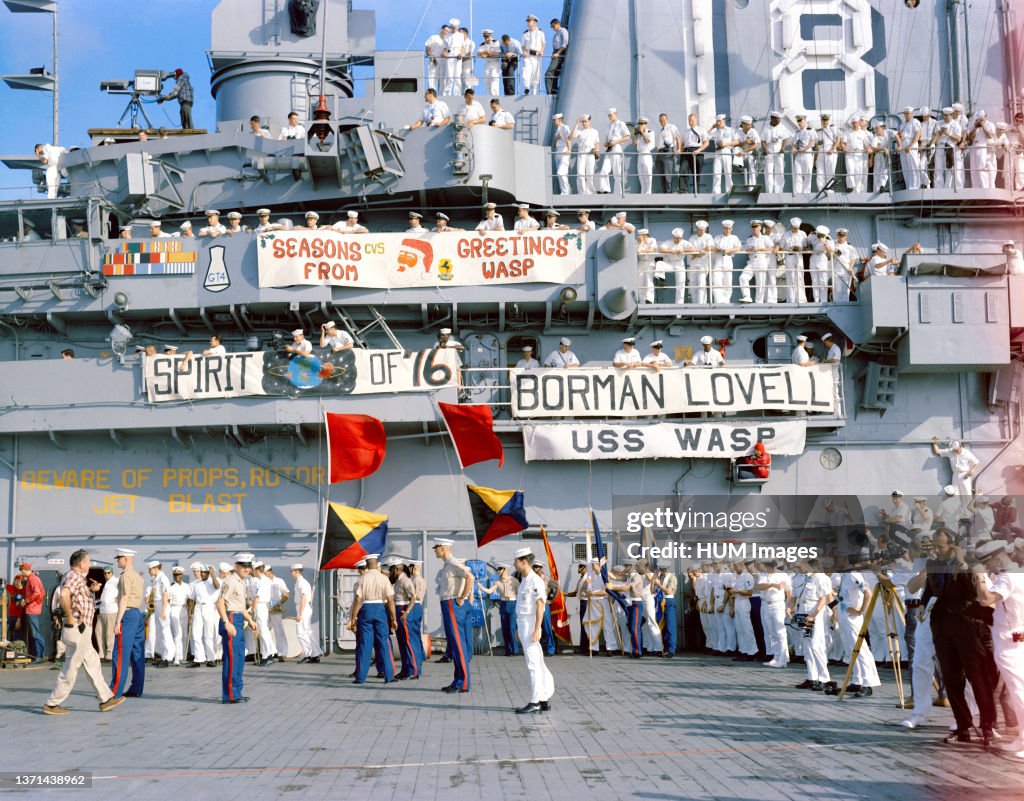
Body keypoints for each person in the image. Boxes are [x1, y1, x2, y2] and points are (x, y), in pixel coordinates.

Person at [922, 528, 996, 745]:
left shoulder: (969, 564)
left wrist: (962, 564)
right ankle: (963, 727)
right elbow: (931, 589)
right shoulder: (933, 564)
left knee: (978, 678)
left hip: (966, 626)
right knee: (952, 680)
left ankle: (987, 727)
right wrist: (922, 606)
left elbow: (973, 592)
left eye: (941, 546)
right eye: (934, 546)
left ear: (953, 546)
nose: (936, 550)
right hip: (942, 627)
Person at [41, 550, 125, 716]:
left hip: (82, 629)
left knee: (93, 662)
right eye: (87, 562)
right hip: (78, 628)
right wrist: (71, 619)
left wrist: (90, 589)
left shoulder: (76, 578)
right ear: (81, 564)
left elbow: (75, 596)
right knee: (71, 667)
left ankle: (105, 699)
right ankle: (52, 703)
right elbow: (65, 594)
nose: (89, 564)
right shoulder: (74, 576)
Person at [976, 540, 1024, 758]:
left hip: (1009, 641)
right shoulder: (1019, 573)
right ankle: (1021, 738)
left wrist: (978, 577)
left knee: (1019, 692)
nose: (988, 569)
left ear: (998, 557)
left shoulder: (1006, 578)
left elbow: (985, 600)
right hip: (1018, 636)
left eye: (987, 564)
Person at [511, 548, 555, 713]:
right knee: (537, 662)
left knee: (533, 664)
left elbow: (540, 606)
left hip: (530, 624)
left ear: (523, 562)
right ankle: (543, 698)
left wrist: (537, 628)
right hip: (524, 624)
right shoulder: (524, 579)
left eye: (516, 561)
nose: (514, 564)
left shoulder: (535, 580)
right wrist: (518, 628)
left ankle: (535, 701)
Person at [433, 538, 474, 693]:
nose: (435, 550)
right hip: (448, 604)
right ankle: (457, 680)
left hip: (452, 604)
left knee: (458, 644)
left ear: (443, 548)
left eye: (436, 547)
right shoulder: (447, 565)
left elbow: (470, 577)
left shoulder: (454, 563)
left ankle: (463, 682)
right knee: (455, 643)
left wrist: (462, 597)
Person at [348, 555, 396, 684]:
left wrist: (353, 618)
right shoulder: (384, 579)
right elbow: (390, 600)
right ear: (377, 564)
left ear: (367, 565)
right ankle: (389, 676)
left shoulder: (362, 579)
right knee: (383, 643)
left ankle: (361, 677)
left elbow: (358, 599)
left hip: (366, 609)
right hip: (380, 609)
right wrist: (393, 618)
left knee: (365, 644)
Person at [836, 564, 881, 698]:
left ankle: (868, 683)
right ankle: (857, 680)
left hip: (852, 617)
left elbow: (868, 593)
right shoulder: (844, 575)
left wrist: (860, 611)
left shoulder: (853, 575)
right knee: (851, 650)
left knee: (860, 650)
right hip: (844, 614)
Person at [216, 553, 256, 703]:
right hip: (231, 619)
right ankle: (230, 695)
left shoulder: (242, 581)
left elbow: (241, 606)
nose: (247, 569)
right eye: (243, 566)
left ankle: (237, 692)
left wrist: (250, 620)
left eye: (248, 566)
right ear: (236, 566)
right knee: (232, 659)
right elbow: (220, 603)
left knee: (239, 658)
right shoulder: (231, 581)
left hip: (238, 619)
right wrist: (226, 622)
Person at [789, 560, 833, 691]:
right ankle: (812, 677)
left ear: (806, 564)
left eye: (799, 566)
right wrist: (789, 607)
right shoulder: (799, 578)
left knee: (816, 645)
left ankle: (824, 678)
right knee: (807, 645)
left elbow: (823, 599)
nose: (797, 569)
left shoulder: (820, 577)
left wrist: (813, 615)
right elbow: (794, 596)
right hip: (803, 611)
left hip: (815, 613)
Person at [109, 548, 145, 698]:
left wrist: (117, 621)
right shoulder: (137, 576)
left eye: (119, 558)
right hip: (137, 613)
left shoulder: (125, 576)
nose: (117, 561)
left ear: (125, 559)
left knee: (120, 653)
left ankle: (114, 691)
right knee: (137, 653)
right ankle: (136, 688)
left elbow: (124, 599)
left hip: (128, 615)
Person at [390, 557, 421, 679]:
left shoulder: (406, 581)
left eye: (392, 569)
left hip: (404, 609)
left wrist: (407, 612)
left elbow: (413, 597)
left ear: (397, 569)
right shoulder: (398, 581)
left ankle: (414, 671)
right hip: (398, 610)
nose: (391, 571)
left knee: (409, 642)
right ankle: (405, 669)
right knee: (402, 642)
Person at [480, 563, 520, 656]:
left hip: (513, 603)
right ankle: (508, 650)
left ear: (505, 569)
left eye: (500, 569)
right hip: (503, 604)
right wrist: (481, 587)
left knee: (512, 628)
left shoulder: (514, 580)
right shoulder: (497, 582)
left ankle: (515, 650)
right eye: (498, 569)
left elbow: (520, 593)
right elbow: (490, 591)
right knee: (505, 628)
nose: (498, 571)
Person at [187, 562, 220, 668]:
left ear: (208, 573)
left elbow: (217, 586)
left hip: (209, 608)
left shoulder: (213, 582)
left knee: (209, 635)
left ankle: (211, 658)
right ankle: (198, 658)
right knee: (196, 634)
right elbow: (191, 599)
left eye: (205, 573)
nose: (202, 574)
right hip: (198, 608)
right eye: (201, 572)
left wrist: (213, 574)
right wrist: (190, 614)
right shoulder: (196, 584)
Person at [290, 564, 322, 664]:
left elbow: (304, 597)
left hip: (302, 608)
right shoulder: (301, 582)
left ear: (296, 571)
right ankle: (315, 654)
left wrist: (300, 612)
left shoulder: (301, 582)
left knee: (301, 632)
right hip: (305, 607)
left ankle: (308, 654)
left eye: (291, 571)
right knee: (308, 631)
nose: (291, 573)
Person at [145, 560, 174, 667]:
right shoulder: (155, 579)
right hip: (157, 606)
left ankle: (168, 657)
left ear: (156, 568)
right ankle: (163, 656)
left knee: (165, 632)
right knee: (159, 633)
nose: (149, 571)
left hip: (163, 606)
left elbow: (165, 595)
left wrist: (163, 611)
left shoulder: (163, 578)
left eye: (150, 569)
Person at [741, 219, 775, 304]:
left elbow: (772, 249)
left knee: (760, 284)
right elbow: (744, 252)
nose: (755, 229)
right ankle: (747, 296)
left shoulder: (765, 238)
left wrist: (761, 248)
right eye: (753, 227)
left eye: (756, 227)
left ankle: (758, 302)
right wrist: (747, 250)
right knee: (743, 277)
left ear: (760, 227)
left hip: (761, 261)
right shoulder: (749, 240)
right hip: (751, 262)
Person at [597, 108, 630, 194]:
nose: (609, 117)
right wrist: (606, 144)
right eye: (608, 115)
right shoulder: (609, 126)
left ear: (615, 114)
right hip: (609, 149)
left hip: (616, 148)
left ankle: (618, 192)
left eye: (611, 115)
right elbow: (607, 138)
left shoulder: (621, 124)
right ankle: (604, 189)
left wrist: (616, 141)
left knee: (616, 171)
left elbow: (627, 137)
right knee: (604, 170)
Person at [19, 562, 45, 662]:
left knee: (35, 633)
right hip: (34, 608)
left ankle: (39, 656)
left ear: (25, 570)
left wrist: (26, 600)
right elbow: (41, 593)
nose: (21, 573)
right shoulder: (33, 578)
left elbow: (37, 593)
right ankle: (39, 655)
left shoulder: (32, 579)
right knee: (35, 632)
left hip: (32, 609)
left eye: (22, 570)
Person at [712, 220, 740, 304]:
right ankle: (718, 301)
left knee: (727, 282)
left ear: (731, 229)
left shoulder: (734, 238)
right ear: (723, 228)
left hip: (728, 259)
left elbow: (738, 248)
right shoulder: (717, 237)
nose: (727, 230)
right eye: (726, 228)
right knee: (716, 281)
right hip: (719, 259)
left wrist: (729, 250)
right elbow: (712, 247)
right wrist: (718, 249)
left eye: (729, 228)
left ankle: (726, 301)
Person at [679, 113, 708, 193]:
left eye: (692, 121)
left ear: (696, 120)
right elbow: (682, 144)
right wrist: (680, 152)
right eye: (689, 121)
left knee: (697, 173)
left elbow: (706, 143)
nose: (691, 123)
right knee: (683, 169)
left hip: (697, 151)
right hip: (687, 152)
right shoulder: (685, 132)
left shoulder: (701, 130)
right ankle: (683, 189)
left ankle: (696, 191)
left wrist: (698, 150)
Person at [708, 114, 737, 193]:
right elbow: (705, 137)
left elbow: (736, 141)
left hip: (727, 151)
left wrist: (725, 144)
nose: (718, 123)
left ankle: (729, 191)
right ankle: (716, 192)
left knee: (728, 173)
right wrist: (712, 127)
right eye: (717, 121)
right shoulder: (715, 132)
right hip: (717, 153)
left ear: (724, 120)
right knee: (716, 173)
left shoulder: (731, 130)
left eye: (719, 121)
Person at [896, 106, 923, 190]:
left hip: (911, 144)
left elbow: (918, 134)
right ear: (904, 114)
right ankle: (909, 186)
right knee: (905, 167)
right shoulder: (902, 124)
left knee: (913, 166)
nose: (908, 115)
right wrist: (900, 138)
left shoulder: (915, 122)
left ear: (912, 114)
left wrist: (911, 145)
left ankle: (915, 186)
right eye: (906, 113)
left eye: (909, 113)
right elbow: (899, 137)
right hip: (903, 145)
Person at [167, 566, 190, 666]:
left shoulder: (187, 587)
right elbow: (168, 601)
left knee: (185, 634)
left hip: (184, 609)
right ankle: (176, 657)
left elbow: (190, 600)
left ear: (182, 575)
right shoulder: (171, 588)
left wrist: (190, 613)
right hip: (174, 609)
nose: (177, 577)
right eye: (175, 575)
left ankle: (183, 657)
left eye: (179, 575)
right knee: (177, 634)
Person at [789, 114, 817, 193]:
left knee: (807, 174)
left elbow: (813, 141)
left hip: (807, 154)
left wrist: (805, 148)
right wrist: (792, 149)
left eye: (800, 121)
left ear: (805, 120)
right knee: (797, 174)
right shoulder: (797, 132)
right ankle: (797, 193)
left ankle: (806, 192)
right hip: (798, 154)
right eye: (798, 121)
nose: (799, 123)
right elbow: (793, 142)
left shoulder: (811, 130)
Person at [762, 111, 787, 193]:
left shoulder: (782, 127)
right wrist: (765, 150)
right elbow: (762, 141)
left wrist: (783, 148)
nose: (779, 121)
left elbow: (785, 139)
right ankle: (769, 191)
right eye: (777, 119)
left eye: (779, 119)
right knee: (769, 172)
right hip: (769, 153)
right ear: (772, 118)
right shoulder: (766, 128)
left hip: (779, 153)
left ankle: (779, 191)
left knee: (779, 172)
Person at [521, 14, 545, 95]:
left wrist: (542, 51)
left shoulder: (540, 33)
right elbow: (523, 46)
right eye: (527, 21)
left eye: (529, 21)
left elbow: (543, 43)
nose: (528, 23)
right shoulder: (525, 34)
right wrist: (524, 51)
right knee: (526, 71)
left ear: (534, 22)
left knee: (536, 73)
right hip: (528, 55)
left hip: (537, 55)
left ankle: (534, 92)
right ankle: (526, 88)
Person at [816, 113, 839, 192]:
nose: (825, 122)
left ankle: (830, 191)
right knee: (820, 172)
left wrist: (833, 149)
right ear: (821, 121)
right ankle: (821, 190)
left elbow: (838, 139)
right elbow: (817, 144)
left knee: (830, 172)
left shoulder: (833, 128)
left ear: (829, 120)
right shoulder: (818, 131)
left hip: (830, 151)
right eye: (823, 120)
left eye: (826, 120)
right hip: (821, 152)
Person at [869, 120, 895, 191]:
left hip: (886, 155)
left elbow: (897, 135)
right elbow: (873, 147)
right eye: (875, 129)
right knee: (876, 173)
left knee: (885, 171)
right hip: (878, 155)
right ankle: (876, 190)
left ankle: (882, 186)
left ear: (882, 128)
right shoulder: (875, 136)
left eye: (877, 128)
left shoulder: (888, 132)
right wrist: (883, 148)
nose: (876, 130)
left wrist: (900, 145)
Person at [735, 116, 761, 186]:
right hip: (741, 153)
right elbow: (735, 143)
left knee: (752, 170)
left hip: (750, 152)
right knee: (736, 149)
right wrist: (745, 142)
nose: (750, 126)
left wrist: (744, 151)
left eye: (750, 124)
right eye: (748, 125)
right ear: (743, 124)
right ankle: (739, 166)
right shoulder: (738, 132)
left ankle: (752, 186)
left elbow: (756, 144)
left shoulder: (753, 132)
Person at [545, 18, 569, 94]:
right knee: (555, 72)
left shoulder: (563, 31)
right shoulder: (557, 33)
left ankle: (549, 92)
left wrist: (558, 53)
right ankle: (553, 90)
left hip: (559, 53)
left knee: (548, 73)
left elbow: (565, 42)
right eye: (552, 26)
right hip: (555, 52)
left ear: (558, 24)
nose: (553, 28)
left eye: (553, 26)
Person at [442, 18, 465, 97]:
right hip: (450, 54)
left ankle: (457, 95)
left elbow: (463, 47)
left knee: (457, 76)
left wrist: (462, 53)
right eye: (453, 27)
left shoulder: (461, 35)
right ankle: (446, 95)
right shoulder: (447, 36)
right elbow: (444, 48)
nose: (454, 28)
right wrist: (444, 53)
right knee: (449, 76)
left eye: (455, 27)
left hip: (458, 55)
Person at [633, 117, 655, 194]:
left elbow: (648, 141)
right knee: (641, 174)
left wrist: (642, 133)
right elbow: (635, 144)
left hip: (646, 154)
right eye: (640, 124)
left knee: (648, 173)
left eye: (642, 123)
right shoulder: (639, 134)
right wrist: (635, 134)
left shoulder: (650, 132)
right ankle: (643, 191)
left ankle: (648, 192)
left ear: (646, 124)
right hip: (640, 154)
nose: (641, 125)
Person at [477, 29, 501, 96]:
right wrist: (486, 52)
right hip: (487, 63)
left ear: (491, 36)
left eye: (488, 37)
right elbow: (478, 53)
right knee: (487, 80)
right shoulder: (482, 45)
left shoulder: (496, 43)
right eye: (485, 37)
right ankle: (489, 96)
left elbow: (498, 53)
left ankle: (495, 96)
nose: (486, 39)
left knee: (494, 78)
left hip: (495, 63)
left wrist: (488, 53)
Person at [424, 24, 448, 91]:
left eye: (448, 32)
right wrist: (431, 57)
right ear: (442, 30)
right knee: (432, 77)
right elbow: (428, 49)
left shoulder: (446, 42)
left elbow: (445, 52)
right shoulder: (433, 37)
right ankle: (431, 92)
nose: (446, 33)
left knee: (441, 78)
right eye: (445, 31)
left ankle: (441, 94)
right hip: (433, 59)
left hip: (442, 61)